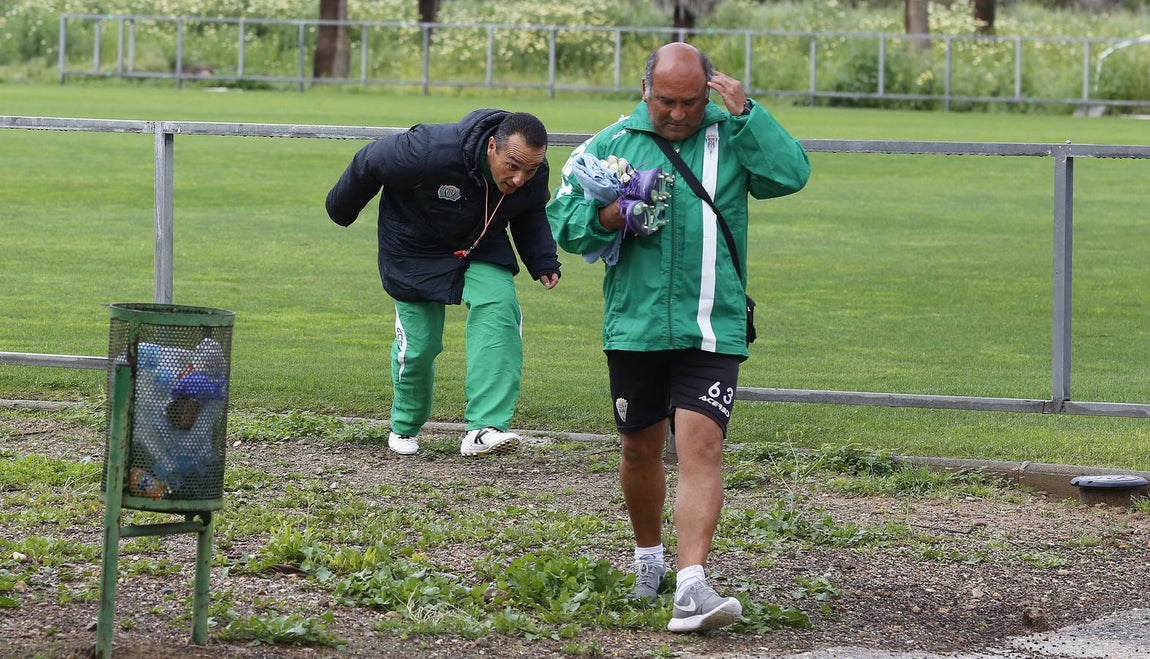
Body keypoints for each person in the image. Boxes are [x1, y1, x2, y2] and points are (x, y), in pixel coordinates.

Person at [547, 43, 810, 633]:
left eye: (690, 102)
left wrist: (749, 113)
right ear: (646, 90)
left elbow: (791, 174)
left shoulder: (732, 133)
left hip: (712, 323)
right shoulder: (610, 143)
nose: (678, 113)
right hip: (635, 324)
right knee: (640, 450)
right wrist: (611, 216)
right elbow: (561, 220)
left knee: (702, 448)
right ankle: (649, 557)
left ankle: (692, 583)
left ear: (709, 90)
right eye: (666, 101)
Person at [326, 109, 561, 458]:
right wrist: (341, 209)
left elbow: (530, 210)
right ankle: (405, 423)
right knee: (420, 346)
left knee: (499, 307)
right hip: (414, 246)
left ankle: (485, 428)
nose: (519, 179)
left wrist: (542, 259)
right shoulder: (428, 150)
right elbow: (370, 160)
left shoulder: (531, 170)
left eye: (529, 170)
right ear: (492, 146)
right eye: (513, 166)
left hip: (479, 242)